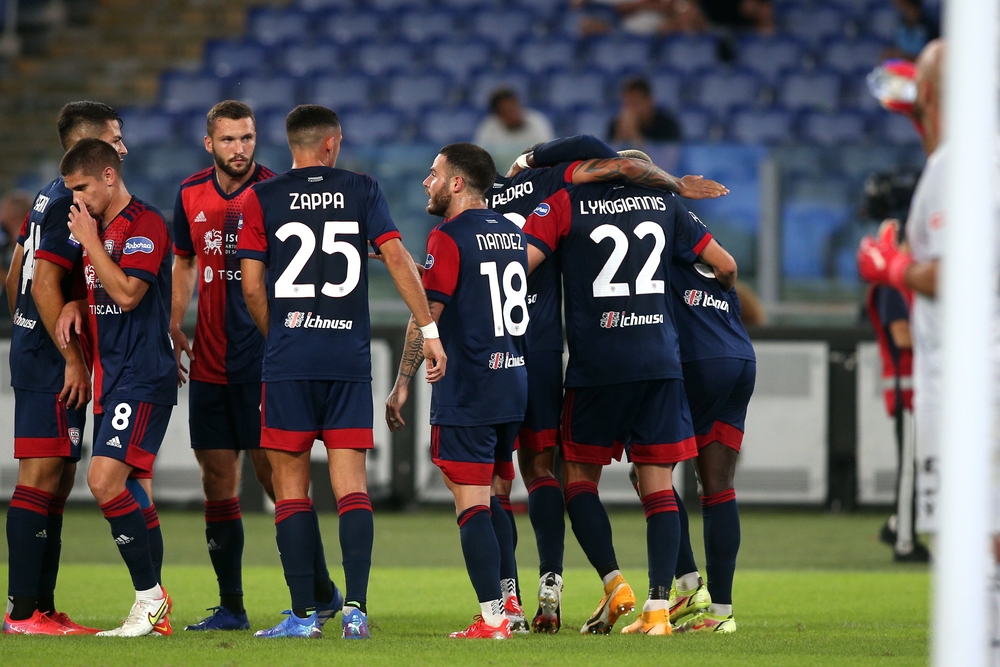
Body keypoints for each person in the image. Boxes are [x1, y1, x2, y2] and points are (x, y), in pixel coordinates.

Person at [491, 137, 728, 633]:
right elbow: (724, 266)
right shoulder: (665, 204)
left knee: (577, 479)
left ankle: (613, 580)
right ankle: (660, 607)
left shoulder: (563, 202)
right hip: (660, 359)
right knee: (659, 486)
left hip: (597, 363)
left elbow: (518, 266)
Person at [237, 104, 445, 640]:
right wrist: (431, 330)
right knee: (351, 487)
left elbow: (253, 288)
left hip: (289, 360)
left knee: (290, 489)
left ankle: (304, 614)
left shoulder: (260, 198)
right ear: (332, 144)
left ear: (292, 145)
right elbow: (398, 259)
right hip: (348, 359)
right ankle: (355, 607)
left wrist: (280, 336)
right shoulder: (362, 189)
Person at [384, 142, 525, 640]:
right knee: (492, 495)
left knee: (471, 503)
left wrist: (401, 382)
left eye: (434, 174)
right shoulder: (511, 233)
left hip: (470, 386)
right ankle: (512, 605)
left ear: (458, 183)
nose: (427, 182)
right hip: (512, 380)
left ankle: (492, 619)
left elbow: (427, 318)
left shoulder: (448, 236)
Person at [3, 102, 130, 636]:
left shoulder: (45, 196)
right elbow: (44, 283)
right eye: (114, 137)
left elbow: (15, 275)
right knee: (39, 478)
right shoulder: (69, 202)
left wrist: (25, 324)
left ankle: (42, 607)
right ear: (90, 141)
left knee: (57, 479)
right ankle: (22, 612)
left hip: (42, 349)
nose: (122, 146)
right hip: (53, 361)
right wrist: (69, 358)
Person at [61, 137, 177, 637]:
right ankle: (154, 610)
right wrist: (71, 303)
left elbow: (128, 293)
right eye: (70, 192)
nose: (77, 201)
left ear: (109, 176)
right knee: (129, 487)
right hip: (112, 377)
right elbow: (94, 287)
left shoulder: (146, 224)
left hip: (144, 375)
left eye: (83, 188)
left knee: (103, 480)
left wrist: (88, 240)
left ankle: (150, 600)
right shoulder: (95, 225)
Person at [170, 100, 277, 631]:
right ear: (208, 143)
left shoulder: (278, 192)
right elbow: (184, 258)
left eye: (248, 138)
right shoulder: (190, 193)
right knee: (218, 480)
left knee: (278, 477)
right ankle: (231, 606)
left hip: (263, 360)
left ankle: (317, 591)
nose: (240, 149)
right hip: (210, 362)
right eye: (229, 140)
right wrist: (173, 321)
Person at [608, 77, 682, 144]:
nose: (630, 109)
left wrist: (634, 135)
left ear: (649, 102)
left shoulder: (667, 126)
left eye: (635, 103)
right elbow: (610, 155)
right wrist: (620, 134)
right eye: (627, 104)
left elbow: (669, 157)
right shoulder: (616, 125)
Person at [474, 89, 555, 150]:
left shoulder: (537, 122)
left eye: (514, 108)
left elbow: (548, 154)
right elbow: (480, 160)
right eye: (507, 112)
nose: (513, 114)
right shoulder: (488, 128)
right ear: (498, 116)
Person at [0, 191, 31, 290]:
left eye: (3, 209)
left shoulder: (32, 248)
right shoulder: (5, 247)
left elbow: (24, 286)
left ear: (14, 215)